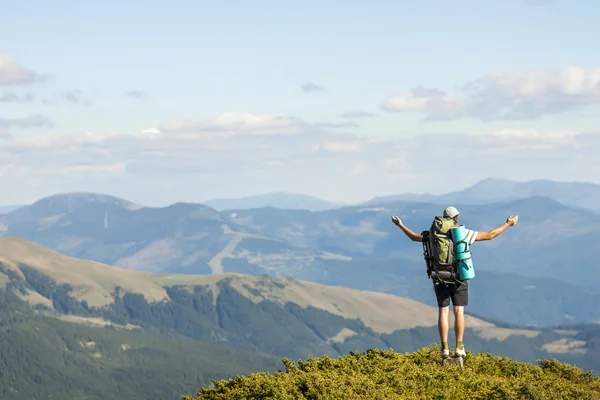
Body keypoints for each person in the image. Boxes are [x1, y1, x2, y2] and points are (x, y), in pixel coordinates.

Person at [391, 206, 519, 360]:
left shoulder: (432, 233)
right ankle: (459, 348)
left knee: (443, 312)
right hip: (459, 277)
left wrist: (400, 225)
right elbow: (490, 235)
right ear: (456, 218)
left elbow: (413, 237)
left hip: (439, 277)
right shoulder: (461, 233)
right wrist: (507, 225)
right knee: (458, 312)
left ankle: (444, 349)